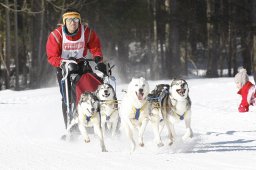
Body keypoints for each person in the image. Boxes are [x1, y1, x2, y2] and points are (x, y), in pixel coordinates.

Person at [46, 8, 107, 129]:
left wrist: (98, 59)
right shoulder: (56, 35)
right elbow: (52, 56)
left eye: (75, 19)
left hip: (81, 63)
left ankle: (97, 117)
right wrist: (63, 63)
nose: (72, 22)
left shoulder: (86, 32)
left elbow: (95, 46)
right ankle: (70, 124)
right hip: (63, 67)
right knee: (67, 97)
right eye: (69, 20)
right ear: (64, 22)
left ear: (79, 21)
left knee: (92, 85)